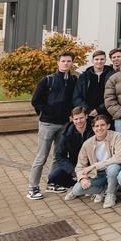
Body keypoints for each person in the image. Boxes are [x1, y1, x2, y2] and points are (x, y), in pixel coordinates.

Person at [28, 52, 77, 200]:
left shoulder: (74, 80)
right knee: (41, 156)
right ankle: (32, 187)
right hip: (48, 124)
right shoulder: (48, 80)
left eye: (69, 61)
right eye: (63, 61)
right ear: (58, 63)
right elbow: (35, 101)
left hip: (64, 124)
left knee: (58, 155)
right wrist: (50, 113)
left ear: (71, 63)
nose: (66, 63)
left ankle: (53, 183)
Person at [64, 115, 121, 208]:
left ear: (108, 126)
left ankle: (111, 194)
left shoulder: (117, 136)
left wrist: (94, 166)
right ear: (93, 128)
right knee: (77, 190)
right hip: (97, 174)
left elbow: (118, 158)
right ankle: (103, 190)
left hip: (113, 170)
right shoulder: (87, 144)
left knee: (113, 168)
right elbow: (80, 166)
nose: (99, 128)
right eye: (96, 126)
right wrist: (82, 179)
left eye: (102, 125)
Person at [48, 107, 94, 192]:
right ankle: (75, 185)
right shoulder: (67, 133)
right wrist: (73, 171)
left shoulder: (94, 128)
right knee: (53, 176)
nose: (79, 121)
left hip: (93, 162)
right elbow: (59, 156)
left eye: (81, 118)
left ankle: (94, 187)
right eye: (76, 119)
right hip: (76, 164)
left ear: (86, 116)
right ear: (72, 119)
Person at [73, 50, 114, 120]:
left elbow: (113, 96)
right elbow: (76, 97)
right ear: (92, 61)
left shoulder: (112, 75)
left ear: (105, 60)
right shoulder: (84, 77)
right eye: (96, 59)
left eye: (102, 59)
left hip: (106, 114)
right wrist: (88, 109)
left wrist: (98, 110)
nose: (99, 61)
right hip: (88, 114)